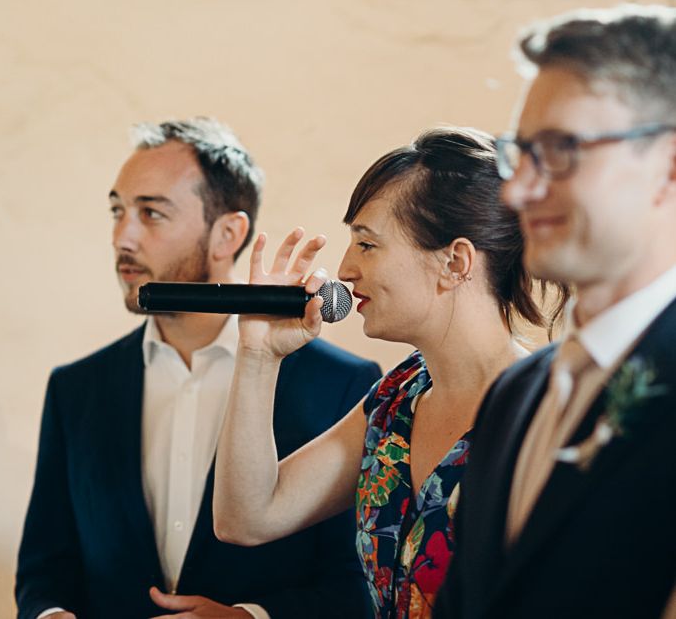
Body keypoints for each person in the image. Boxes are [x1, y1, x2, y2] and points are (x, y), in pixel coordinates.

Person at [15, 118, 382, 619]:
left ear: (227, 233)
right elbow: (44, 569)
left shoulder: (344, 386)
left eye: (151, 213)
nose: (123, 236)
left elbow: (357, 586)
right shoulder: (75, 388)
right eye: (118, 211)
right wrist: (49, 615)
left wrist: (251, 618)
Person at [213, 126, 563, 618]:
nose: (345, 269)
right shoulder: (395, 400)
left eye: (368, 244)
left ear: (455, 261)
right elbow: (246, 517)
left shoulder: (549, 408)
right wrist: (258, 357)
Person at [435, 5, 676, 619]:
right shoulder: (515, 393)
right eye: (523, 154)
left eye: (563, 149)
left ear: (668, 166)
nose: (517, 191)